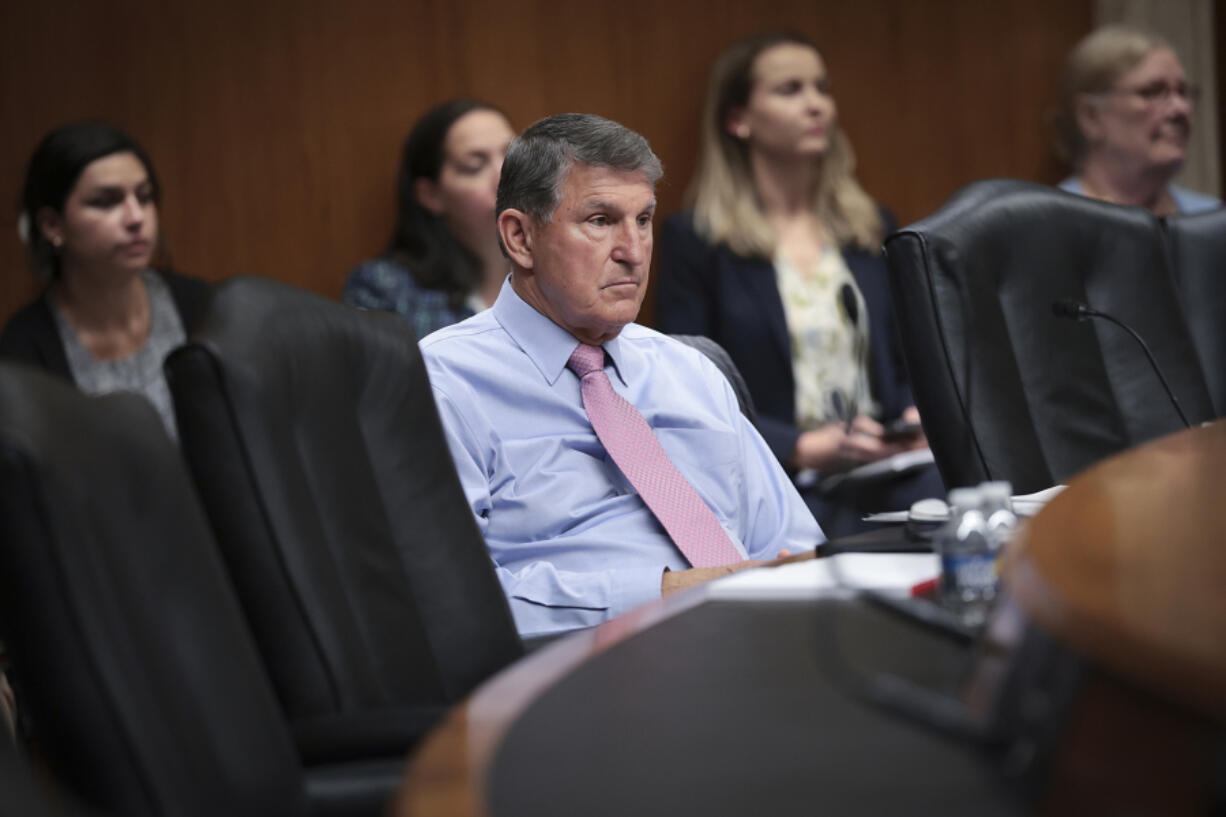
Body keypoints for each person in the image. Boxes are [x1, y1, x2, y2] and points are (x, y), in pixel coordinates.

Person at [421, 113, 820, 638]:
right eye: (601, 220)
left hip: (762, 642)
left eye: (644, 220)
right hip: (587, 669)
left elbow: (793, 546)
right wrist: (661, 594)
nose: (633, 252)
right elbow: (448, 600)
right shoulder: (444, 382)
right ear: (520, 238)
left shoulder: (688, 370)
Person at [655, 32, 940, 538]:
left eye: (821, 88)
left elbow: (904, 361)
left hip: (885, 471)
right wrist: (799, 447)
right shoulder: (696, 240)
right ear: (738, 119)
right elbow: (688, 388)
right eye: (790, 89)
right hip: (780, 477)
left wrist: (916, 418)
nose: (817, 105)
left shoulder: (868, 227)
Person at [0, 121, 210, 439]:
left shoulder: (202, 307)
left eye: (144, 196)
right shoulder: (24, 351)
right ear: (52, 225)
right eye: (106, 201)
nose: (136, 217)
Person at [343, 99, 516, 339]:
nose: (505, 175)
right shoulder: (385, 290)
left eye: (514, 156)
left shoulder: (560, 273)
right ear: (431, 195)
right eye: (475, 166)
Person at [1052, 24, 1220, 215]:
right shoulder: (1052, 222)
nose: (1181, 108)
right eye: (1153, 92)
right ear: (1091, 116)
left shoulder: (1212, 219)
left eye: (1182, 92)